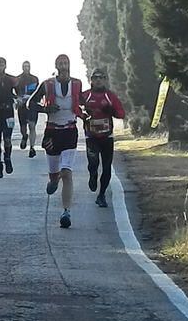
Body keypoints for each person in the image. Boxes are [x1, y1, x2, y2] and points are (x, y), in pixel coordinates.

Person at [27, 54, 85, 228]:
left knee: (67, 173)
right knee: (55, 175)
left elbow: (82, 101)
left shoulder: (77, 83)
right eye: (60, 63)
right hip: (52, 132)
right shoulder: (48, 84)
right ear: (56, 66)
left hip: (70, 130)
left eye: (66, 62)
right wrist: (46, 108)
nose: (63, 65)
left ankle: (66, 212)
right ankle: (53, 180)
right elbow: (30, 104)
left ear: (69, 65)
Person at [80, 68, 126, 208]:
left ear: (105, 80)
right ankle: (92, 174)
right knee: (93, 162)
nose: (98, 80)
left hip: (106, 136)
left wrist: (111, 111)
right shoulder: (86, 95)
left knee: (106, 168)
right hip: (91, 136)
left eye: (101, 77)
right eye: (95, 77)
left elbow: (121, 113)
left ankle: (101, 195)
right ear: (91, 80)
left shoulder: (110, 96)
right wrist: (83, 113)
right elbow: (75, 107)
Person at [16, 61, 39, 157]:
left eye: (27, 66)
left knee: (32, 126)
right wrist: (18, 99)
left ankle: (32, 148)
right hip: (22, 106)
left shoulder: (35, 79)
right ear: (22, 67)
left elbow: (38, 92)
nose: (26, 68)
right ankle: (24, 136)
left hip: (32, 106)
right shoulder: (18, 79)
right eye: (24, 66)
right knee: (23, 127)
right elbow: (15, 92)